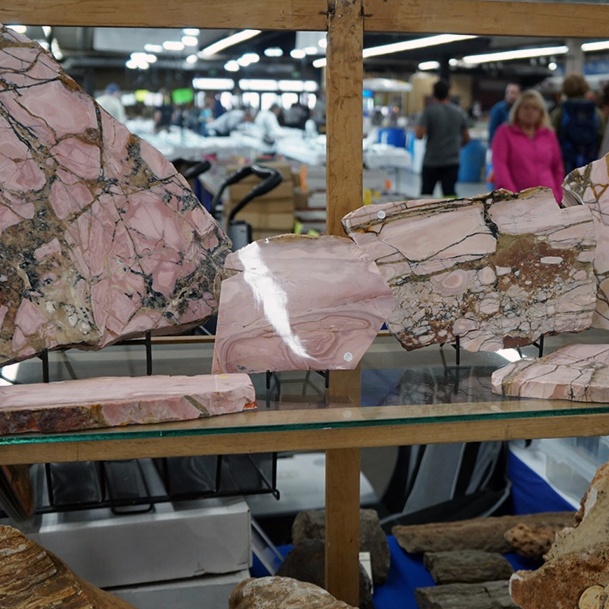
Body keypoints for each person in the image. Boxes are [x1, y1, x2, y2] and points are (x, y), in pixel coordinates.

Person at [492, 89, 564, 203]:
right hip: (516, 200)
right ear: (517, 110)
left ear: (541, 112)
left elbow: (557, 167)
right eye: (526, 108)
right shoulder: (504, 133)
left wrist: (559, 195)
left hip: (548, 200)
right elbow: (500, 166)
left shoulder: (549, 134)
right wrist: (512, 196)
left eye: (535, 108)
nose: (530, 112)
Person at [415, 79, 471, 198]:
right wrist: (455, 146)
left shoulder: (429, 111)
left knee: (426, 197)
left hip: (431, 161)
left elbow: (419, 135)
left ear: (433, 93)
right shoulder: (459, 112)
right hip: (452, 161)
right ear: (448, 93)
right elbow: (467, 138)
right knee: (450, 197)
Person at [550, 73, 605, 174]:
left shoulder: (560, 111)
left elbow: (551, 136)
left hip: (566, 161)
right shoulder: (595, 111)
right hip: (590, 160)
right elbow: (601, 135)